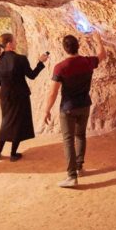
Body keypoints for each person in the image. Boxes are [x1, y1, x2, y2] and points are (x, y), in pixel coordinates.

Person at [43, 31, 106, 188]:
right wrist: (98, 40)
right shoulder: (87, 62)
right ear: (78, 47)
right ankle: (79, 167)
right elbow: (102, 55)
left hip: (68, 108)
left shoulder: (60, 68)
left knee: (68, 140)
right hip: (84, 105)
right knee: (80, 136)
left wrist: (46, 110)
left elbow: (53, 92)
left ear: (65, 49)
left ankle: (72, 176)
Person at [0, 33, 48, 161]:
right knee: (18, 123)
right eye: (14, 41)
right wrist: (40, 62)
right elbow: (32, 75)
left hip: (5, 95)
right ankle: (13, 154)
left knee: (6, 121)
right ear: (9, 44)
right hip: (20, 95)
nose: (16, 43)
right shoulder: (20, 59)